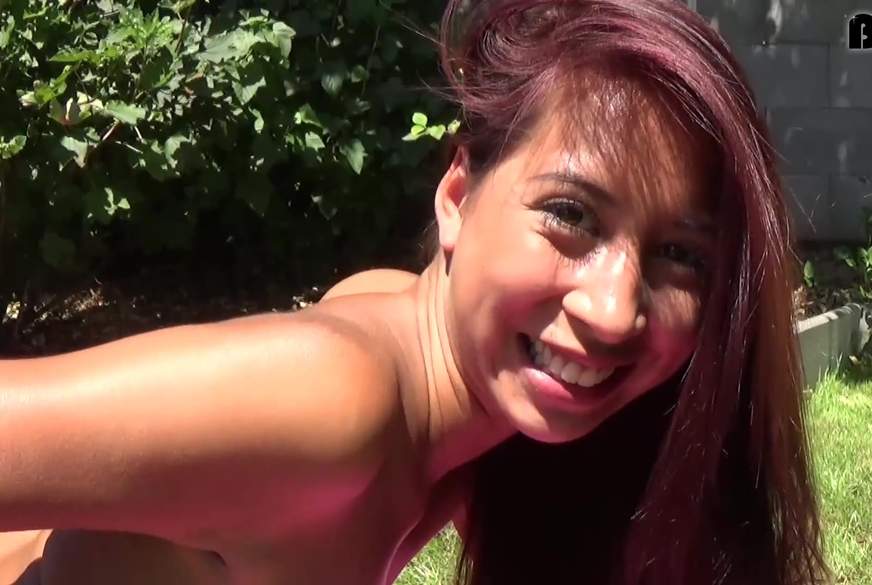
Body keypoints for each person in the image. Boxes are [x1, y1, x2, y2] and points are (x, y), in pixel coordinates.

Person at [0, 0, 826, 583]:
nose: (613, 310)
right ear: (458, 195)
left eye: (680, 256)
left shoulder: (447, 383)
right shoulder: (332, 396)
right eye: (570, 215)